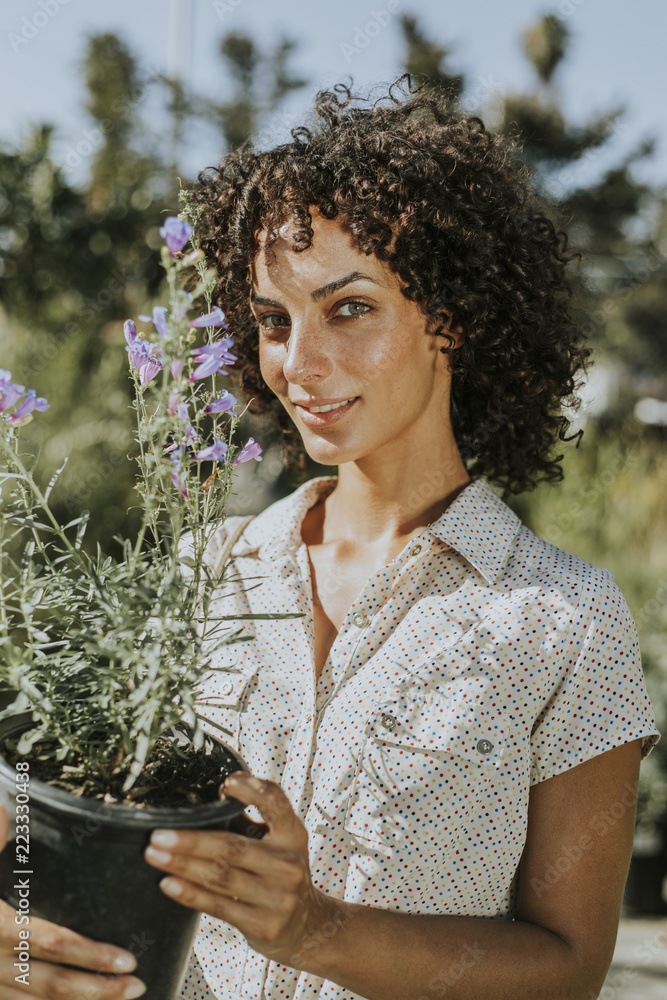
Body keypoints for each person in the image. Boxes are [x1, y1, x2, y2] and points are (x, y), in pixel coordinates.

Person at [0, 76, 660, 1000]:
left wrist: (315, 930)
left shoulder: (565, 621)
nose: (299, 364)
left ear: (454, 316)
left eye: (349, 308)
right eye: (274, 321)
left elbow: (566, 971)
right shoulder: (196, 574)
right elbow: (46, 825)